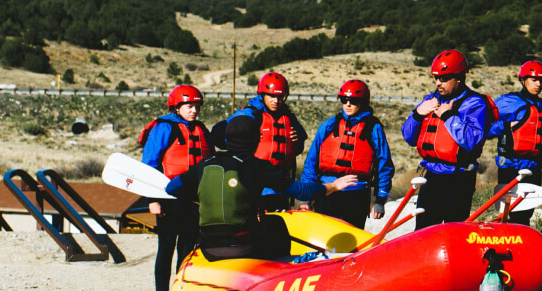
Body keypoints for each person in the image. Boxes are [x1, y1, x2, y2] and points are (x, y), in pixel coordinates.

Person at [165, 115, 358, 261]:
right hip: (244, 248)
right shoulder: (258, 167)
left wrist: (204, 196)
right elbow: (303, 192)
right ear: (254, 140)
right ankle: (278, 273)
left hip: (208, 248)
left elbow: (171, 188)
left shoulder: (204, 164)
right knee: (276, 224)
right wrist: (334, 185)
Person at [401, 49, 498, 230]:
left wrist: (448, 116)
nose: (438, 83)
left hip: (458, 179)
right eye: (436, 78)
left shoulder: (475, 103)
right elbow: (408, 137)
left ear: (459, 77)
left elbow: (472, 140)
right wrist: (417, 114)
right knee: (423, 232)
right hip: (431, 177)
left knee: (454, 232)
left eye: (444, 79)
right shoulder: (430, 100)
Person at [140, 85, 213, 291]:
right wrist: (153, 200)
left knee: (187, 251)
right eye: (189, 106)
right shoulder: (164, 128)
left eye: (197, 106)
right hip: (168, 199)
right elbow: (149, 165)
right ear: (177, 107)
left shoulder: (201, 129)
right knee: (166, 250)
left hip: (194, 201)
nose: (194, 111)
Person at [297, 79, 395, 228]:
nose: (348, 104)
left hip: (357, 193)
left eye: (353, 100)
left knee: (351, 243)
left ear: (363, 102)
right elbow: (311, 162)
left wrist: (380, 199)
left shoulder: (373, 129)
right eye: (344, 100)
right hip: (327, 191)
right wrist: (306, 197)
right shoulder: (329, 125)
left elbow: (384, 164)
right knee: (325, 238)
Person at [223, 72, 308, 212]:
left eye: (280, 96)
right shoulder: (249, 114)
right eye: (272, 96)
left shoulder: (289, 117)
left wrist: (295, 140)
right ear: (262, 95)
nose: (276, 100)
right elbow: (226, 137)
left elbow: (298, 148)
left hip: (280, 184)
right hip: (254, 183)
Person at [490, 60, 542, 226]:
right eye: (534, 80)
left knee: (524, 216)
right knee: (507, 213)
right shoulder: (507, 102)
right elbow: (484, 128)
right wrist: (504, 126)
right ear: (523, 80)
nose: (539, 84)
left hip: (534, 168)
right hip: (510, 167)